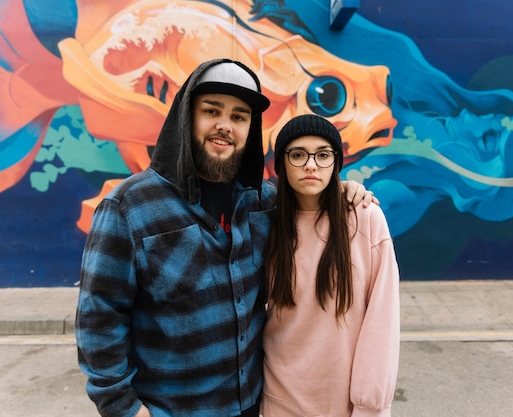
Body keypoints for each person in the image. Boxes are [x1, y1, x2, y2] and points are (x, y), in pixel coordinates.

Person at [75, 58, 375, 417]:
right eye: (211, 111)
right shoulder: (128, 208)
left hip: (249, 404)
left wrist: (343, 189)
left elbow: (312, 193)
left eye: (239, 116)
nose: (224, 126)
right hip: (169, 410)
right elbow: (99, 320)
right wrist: (124, 408)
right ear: (187, 117)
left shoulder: (263, 202)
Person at [262, 114, 400, 417]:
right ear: (281, 163)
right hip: (279, 399)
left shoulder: (365, 219)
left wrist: (369, 407)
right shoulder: (266, 224)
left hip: (344, 404)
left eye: (323, 155)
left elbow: (382, 321)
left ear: (336, 163)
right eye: (297, 155)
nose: (311, 165)